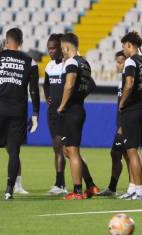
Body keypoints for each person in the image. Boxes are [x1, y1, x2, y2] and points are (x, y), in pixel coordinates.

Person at [0, 28, 40, 200]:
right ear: (21, 41)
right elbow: (34, 90)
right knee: (13, 152)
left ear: (6, 41)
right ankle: (9, 191)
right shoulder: (30, 62)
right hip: (18, 111)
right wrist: (35, 114)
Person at [57, 33, 99, 200]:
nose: (63, 52)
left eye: (62, 49)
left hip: (71, 110)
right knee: (69, 150)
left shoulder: (72, 62)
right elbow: (90, 85)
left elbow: (69, 84)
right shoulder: (85, 63)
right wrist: (79, 97)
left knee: (72, 151)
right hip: (78, 108)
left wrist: (62, 104)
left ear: (66, 47)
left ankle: (77, 191)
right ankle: (90, 185)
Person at [119, 31, 142, 200]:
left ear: (130, 45)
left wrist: (122, 102)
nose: (123, 50)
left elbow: (129, 83)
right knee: (133, 150)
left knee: (132, 151)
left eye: (124, 46)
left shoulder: (130, 61)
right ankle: (133, 188)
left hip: (132, 108)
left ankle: (139, 191)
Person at [98, 51, 132, 197]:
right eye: (117, 61)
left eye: (120, 61)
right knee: (120, 153)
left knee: (126, 154)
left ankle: (134, 187)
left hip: (125, 123)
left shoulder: (129, 80)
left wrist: (123, 124)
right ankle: (113, 188)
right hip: (121, 122)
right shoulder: (122, 80)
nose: (118, 65)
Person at [43, 34, 68, 195]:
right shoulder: (49, 66)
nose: (50, 52)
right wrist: (48, 99)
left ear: (61, 47)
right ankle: (60, 183)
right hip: (52, 112)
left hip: (66, 112)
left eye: (53, 48)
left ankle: (64, 183)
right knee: (57, 147)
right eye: (49, 49)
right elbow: (46, 85)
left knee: (67, 149)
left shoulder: (69, 65)